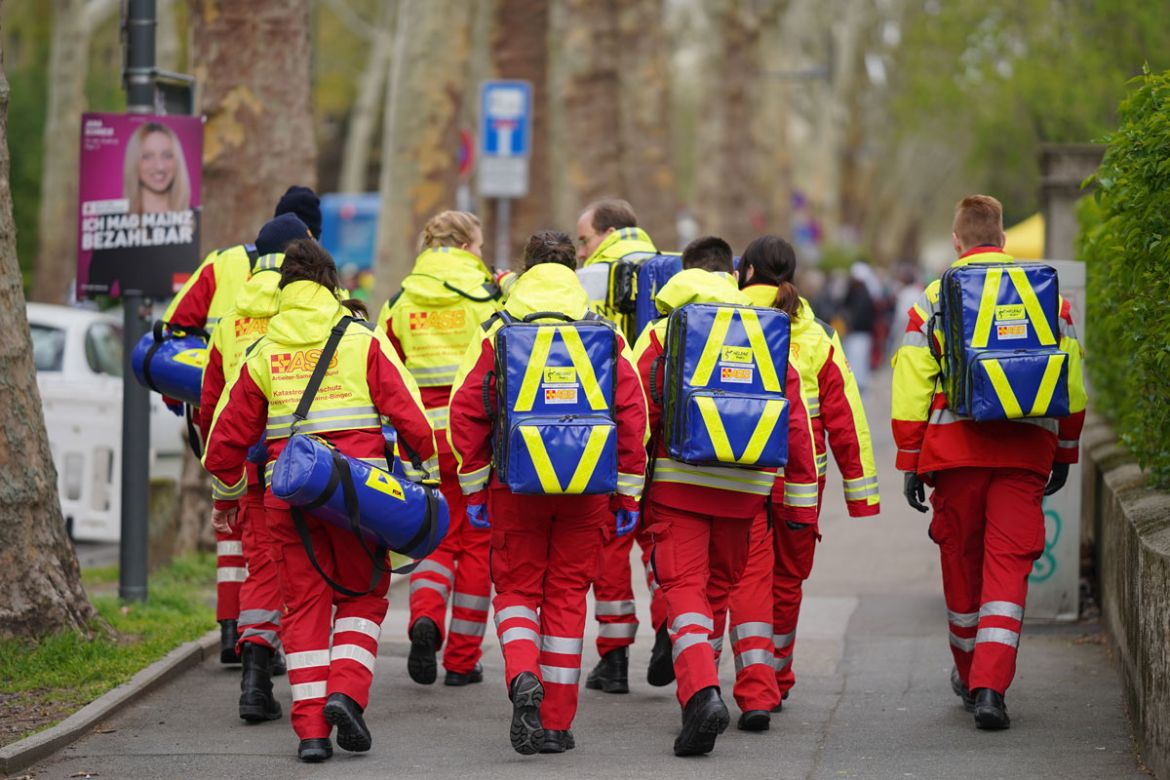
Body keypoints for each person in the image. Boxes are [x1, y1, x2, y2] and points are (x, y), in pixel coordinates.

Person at [203, 239, 438, 762]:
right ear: (333, 283)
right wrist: (432, 474)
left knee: (304, 608)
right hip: (361, 498)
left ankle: (311, 733)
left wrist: (230, 493)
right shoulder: (360, 339)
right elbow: (412, 416)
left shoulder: (264, 349)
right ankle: (345, 694)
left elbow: (223, 441)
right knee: (362, 597)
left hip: (288, 500)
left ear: (284, 288)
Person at [447, 230, 648, 755]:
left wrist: (473, 489)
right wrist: (628, 495)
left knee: (515, 590)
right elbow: (633, 417)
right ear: (572, 271)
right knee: (565, 598)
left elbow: (464, 411)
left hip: (515, 486)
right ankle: (556, 724)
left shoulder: (498, 329)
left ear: (526, 269)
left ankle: (521, 678)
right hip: (587, 491)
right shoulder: (603, 332)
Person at [891, 194, 1086, 730]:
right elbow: (1072, 382)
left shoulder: (932, 298)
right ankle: (990, 689)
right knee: (1008, 569)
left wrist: (911, 461)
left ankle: (969, 670)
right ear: (1002, 240)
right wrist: (1064, 451)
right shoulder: (1048, 297)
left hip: (955, 456)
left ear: (957, 242)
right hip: (1025, 454)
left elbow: (911, 387)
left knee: (962, 566)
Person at [632, 237, 819, 756]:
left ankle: (701, 698)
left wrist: (628, 492)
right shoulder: (767, 334)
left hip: (679, 487)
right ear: (732, 274)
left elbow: (635, 413)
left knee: (686, 594)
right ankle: (704, 690)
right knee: (715, 594)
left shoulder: (661, 331)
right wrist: (800, 511)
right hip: (747, 494)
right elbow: (796, 425)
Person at [165, 188, 322, 665]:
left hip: (229, 436)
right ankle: (270, 648)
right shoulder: (312, 295)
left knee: (241, 538)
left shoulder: (223, 268)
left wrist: (184, 400)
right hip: (294, 448)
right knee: (290, 556)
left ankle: (236, 632)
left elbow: (175, 331)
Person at [729, 235, 879, 727]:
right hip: (800, 479)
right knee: (786, 581)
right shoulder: (815, 334)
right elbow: (845, 416)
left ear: (746, 271)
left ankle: (746, 683)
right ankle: (776, 676)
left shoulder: (721, 318)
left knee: (738, 577)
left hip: (736, 472)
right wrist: (860, 492)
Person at [376, 210, 503, 688]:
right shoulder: (487, 295)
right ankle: (463, 661)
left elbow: (384, 371)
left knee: (435, 537)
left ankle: (425, 620)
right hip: (476, 438)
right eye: (480, 244)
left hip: (422, 440)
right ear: (469, 244)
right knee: (476, 544)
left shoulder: (400, 300)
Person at [198, 216, 309, 723]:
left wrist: (225, 478)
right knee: (313, 568)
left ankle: (255, 680)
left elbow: (209, 407)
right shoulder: (310, 305)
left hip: (250, 464)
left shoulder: (231, 318)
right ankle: (318, 683)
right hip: (307, 463)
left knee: (261, 565)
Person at [573, 198, 660, 692]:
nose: (581, 250)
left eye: (584, 240)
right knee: (660, 540)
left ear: (606, 233)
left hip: (607, 429)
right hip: (669, 432)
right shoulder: (672, 272)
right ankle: (670, 627)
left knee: (610, 543)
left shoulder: (586, 281)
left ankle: (615, 657)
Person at [123, 121, 191, 214]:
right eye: (147, 156)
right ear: (134, 162)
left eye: (167, 155)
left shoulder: (194, 218)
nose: (160, 167)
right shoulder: (113, 222)